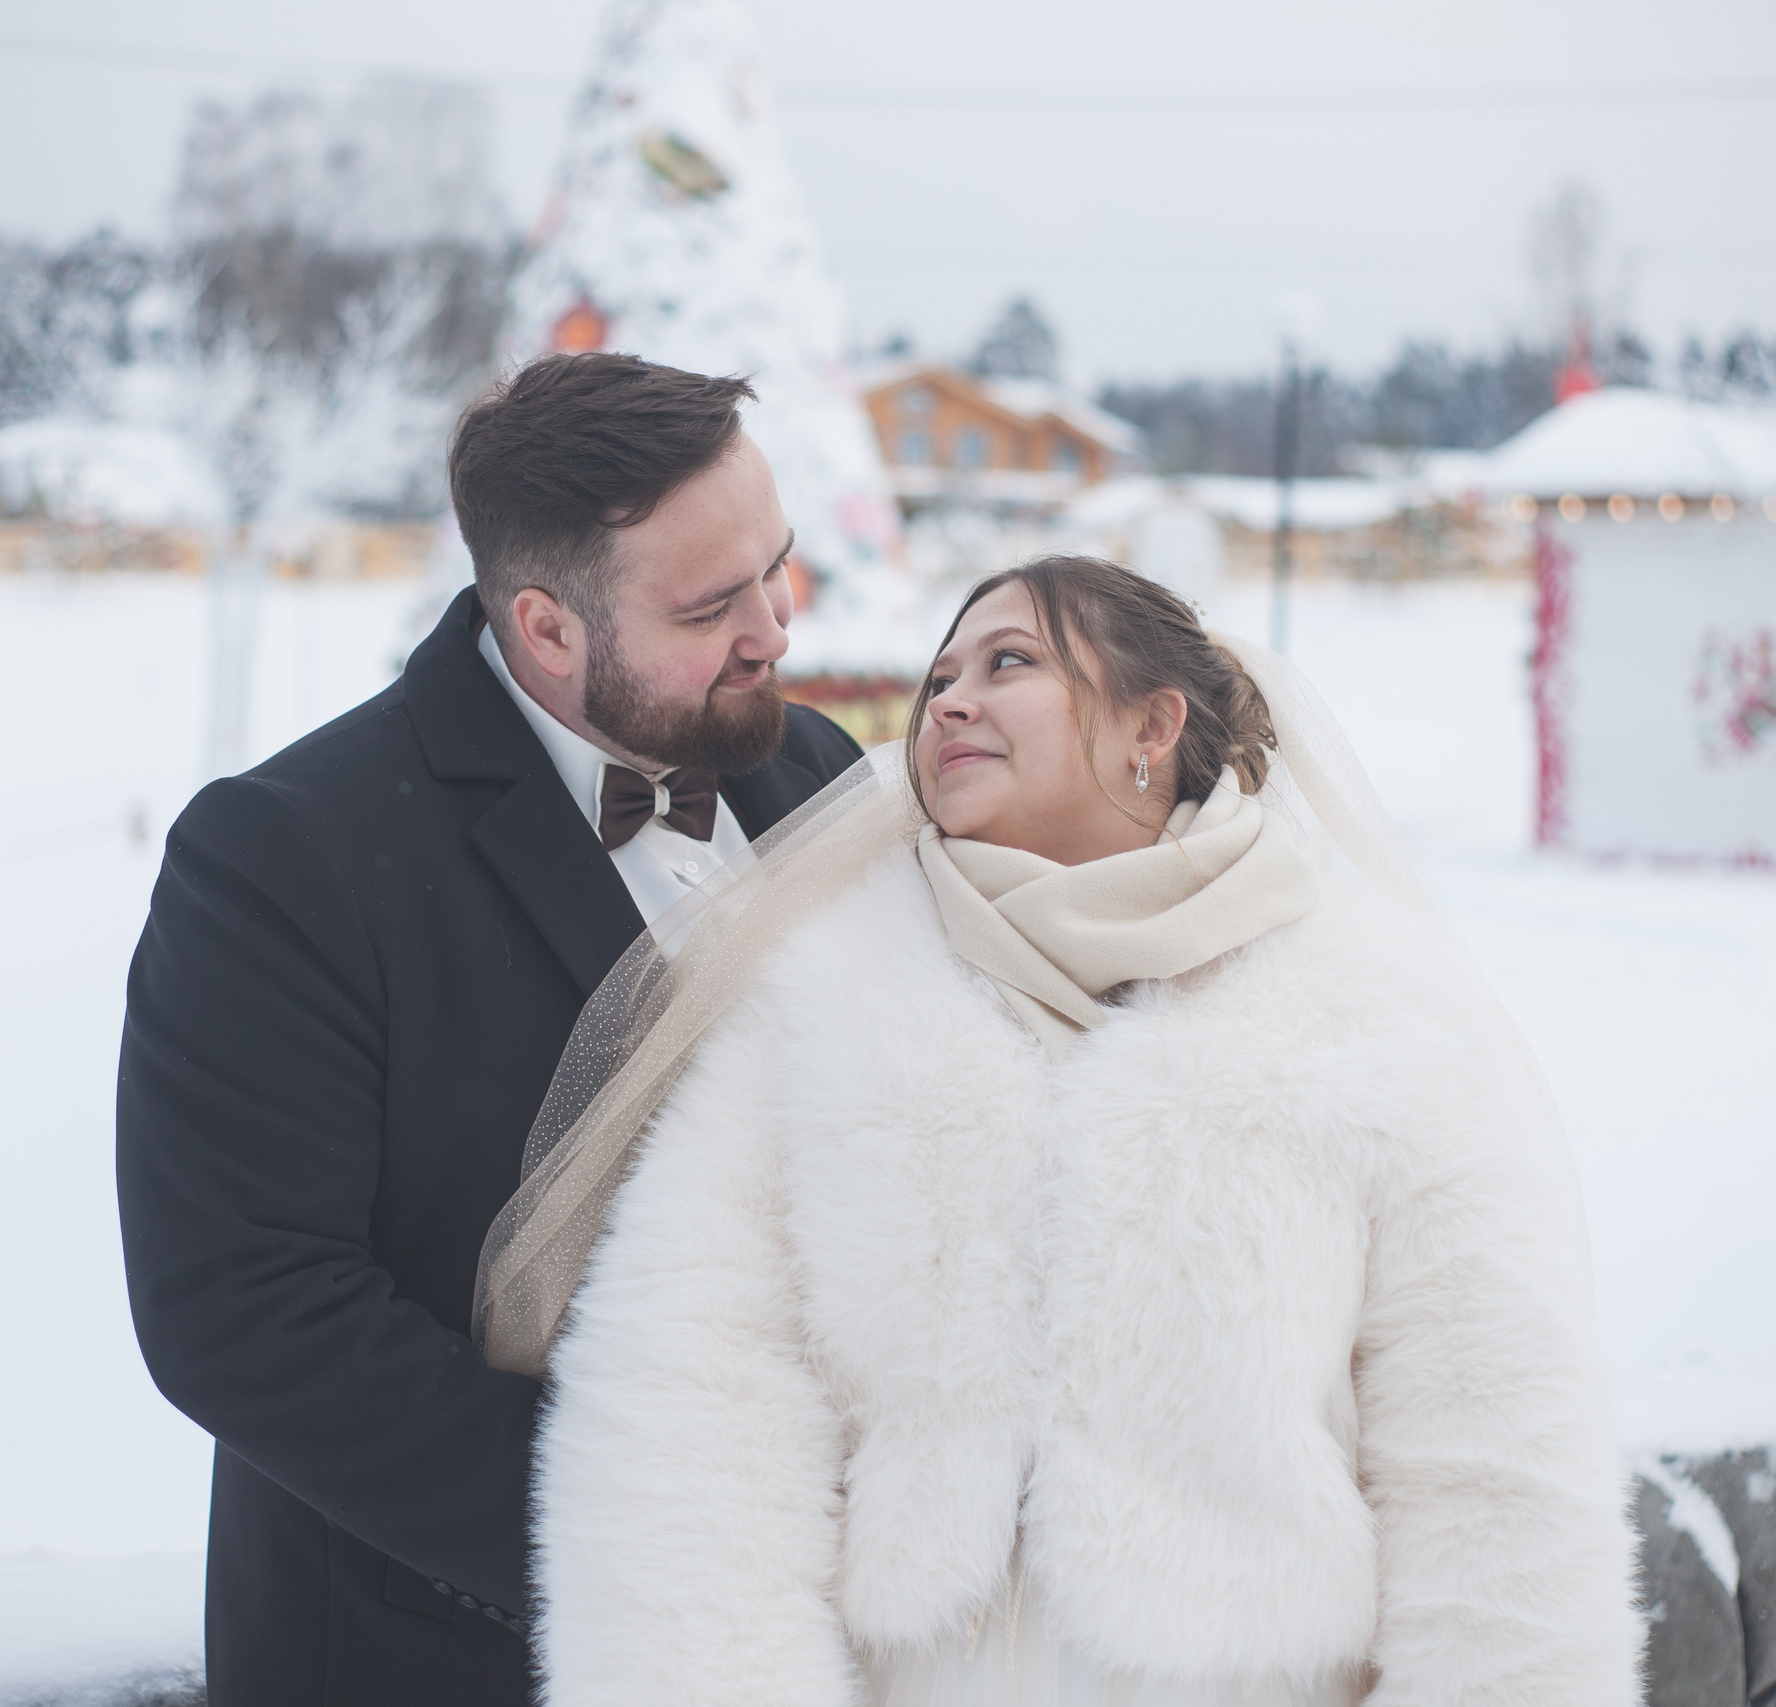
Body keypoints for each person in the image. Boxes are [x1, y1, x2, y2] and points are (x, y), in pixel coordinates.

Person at [498, 556, 1640, 1706]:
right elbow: (690, 1413)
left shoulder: (1374, 1014)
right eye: (940, 675)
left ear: (1154, 723)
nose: (947, 701)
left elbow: (1497, 1457)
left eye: (1009, 663)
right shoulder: (817, 1007)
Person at [115, 352, 866, 1706]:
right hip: (449, 1647)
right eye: (713, 604)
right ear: (546, 625)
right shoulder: (285, 856)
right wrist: (655, 1533)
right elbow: (246, 1310)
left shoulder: (810, 767)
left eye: (780, 566)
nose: (777, 628)